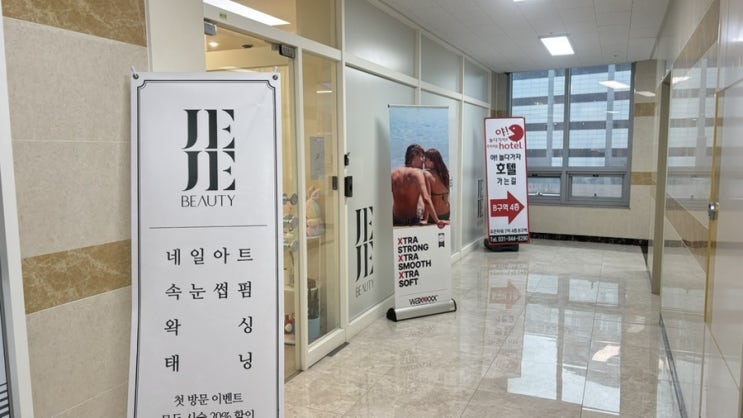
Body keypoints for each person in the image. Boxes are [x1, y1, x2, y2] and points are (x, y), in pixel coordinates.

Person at [391, 144, 446, 228]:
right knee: (422, 196)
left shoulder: (393, 173)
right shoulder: (417, 173)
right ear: (416, 156)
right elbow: (426, 198)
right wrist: (437, 221)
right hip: (412, 219)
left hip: (396, 219)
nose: (423, 161)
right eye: (422, 157)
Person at [423, 148, 450, 223]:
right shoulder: (446, 173)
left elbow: (427, 198)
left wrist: (426, 219)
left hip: (434, 216)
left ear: (433, 162)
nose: (423, 162)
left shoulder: (427, 174)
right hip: (446, 214)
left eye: (425, 160)